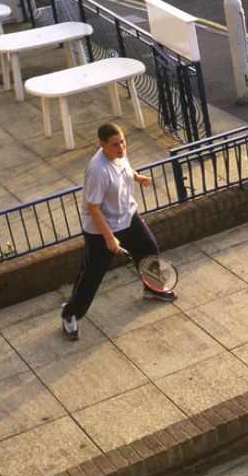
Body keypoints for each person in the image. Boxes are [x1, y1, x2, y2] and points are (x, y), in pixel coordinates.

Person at [60, 124, 175, 341]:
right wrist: (109, 237)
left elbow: (125, 169)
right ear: (102, 145)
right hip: (101, 228)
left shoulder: (119, 153)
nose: (121, 147)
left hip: (127, 216)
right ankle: (70, 313)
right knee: (93, 273)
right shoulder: (98, 170)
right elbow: (92, 208)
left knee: (148, 248)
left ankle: (153, 287)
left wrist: (137, 177)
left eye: (123, 141)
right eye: (115, 144)